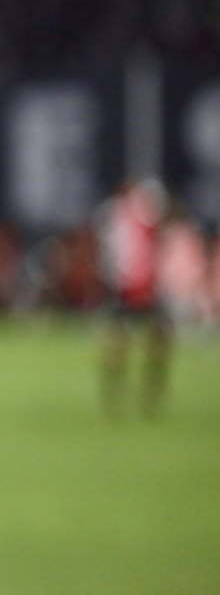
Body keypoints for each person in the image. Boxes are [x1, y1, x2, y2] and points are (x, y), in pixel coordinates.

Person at [94, 177, 174, 420]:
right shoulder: (117, 217)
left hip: (145, 291)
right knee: (119, 343)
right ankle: (118, 393)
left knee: (155, 340)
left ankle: (148, 392)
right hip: (124, 290)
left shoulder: (142, 217)